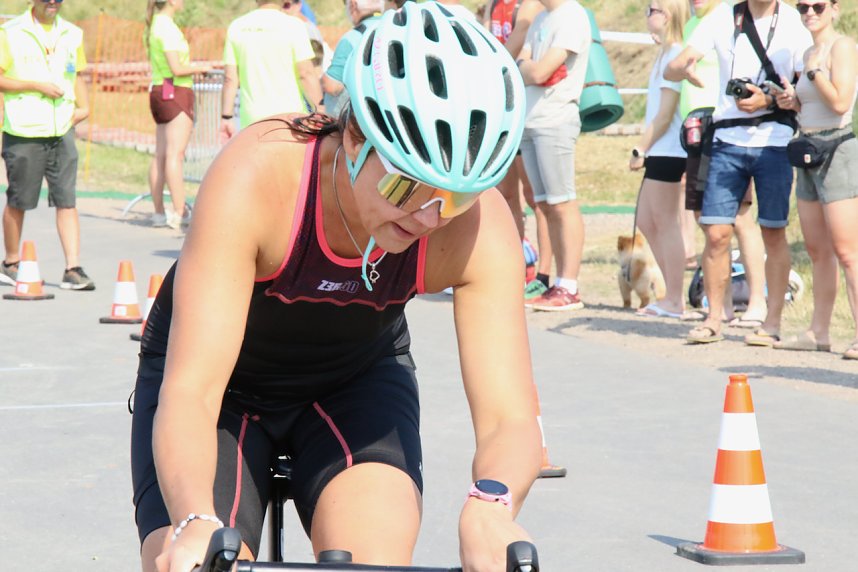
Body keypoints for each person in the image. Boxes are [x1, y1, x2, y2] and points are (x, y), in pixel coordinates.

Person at [130, 4, 541, 571]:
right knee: (194, 560)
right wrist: (195, 519)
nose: (428, 216)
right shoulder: (258, 178)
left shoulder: (478, 227)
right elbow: (192, 394)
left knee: (373, 560)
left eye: (456, 195)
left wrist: (493, 505)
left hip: (353, 381)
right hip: (219, 392)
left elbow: (509, 418)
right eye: (406, 186)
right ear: (353, 137)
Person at [665, 0, 811, 344]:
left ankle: (771, 323)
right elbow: (673, 66)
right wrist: (680, 67)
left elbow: (805, 84)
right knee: (716, 233)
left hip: (774, 140)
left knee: (773, 232)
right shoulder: (722, 16)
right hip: (727, 139)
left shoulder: (792, 22)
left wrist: (770, 100)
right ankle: (714, 319)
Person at [771, 0, 858, 359]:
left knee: (848, 251)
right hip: (806, 148)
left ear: (835, 9)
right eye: (802, 6)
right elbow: (815, 101)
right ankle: (818, 330)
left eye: (817, 6)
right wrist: (792, 100)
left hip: (837, 149)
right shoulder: (809, 51)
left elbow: (840, 103)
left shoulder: (842, 47)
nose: (809, 13)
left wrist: (812, 74)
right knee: (817, 249)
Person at [679, 0, 769, 327]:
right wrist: (680, 65)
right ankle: (724, 304)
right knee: (711, 224)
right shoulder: (698, 23)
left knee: (742, 218)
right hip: (701, 130)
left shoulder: (734, 15)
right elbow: (675, 66)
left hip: (733, 128)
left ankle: (758, 299)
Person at [0, 0, 95, 290]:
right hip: (25, 130)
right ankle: (11, 262)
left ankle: (73, 268)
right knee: (20, 200)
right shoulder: (11, 31)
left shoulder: (71, 33)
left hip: (62, 128)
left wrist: (85, 107)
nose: (53, 3)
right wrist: (36, 85)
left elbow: (75, 75)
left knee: (67, 199)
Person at [515, 0, 590, 311]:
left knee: (562, 201)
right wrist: (532, 69)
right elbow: (523, 66)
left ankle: (569, 284)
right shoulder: (540, 19)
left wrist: (532, 68)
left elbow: (541, 69)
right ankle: (556, 283)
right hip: (532, 119)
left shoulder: (572, 15)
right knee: (544, 204)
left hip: (555, 119)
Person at [482, 0, 552, 301]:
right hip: (500, 106)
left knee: (536, 197)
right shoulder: (492, 5)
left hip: (526, 106)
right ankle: (515, 264)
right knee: (505, 194)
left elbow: (511, 47)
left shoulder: (530, 6)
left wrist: (484, 64)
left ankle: (545, 272)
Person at [630, 0, 689, 318]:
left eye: (652, 10)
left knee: (665, 223)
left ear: (667, 15)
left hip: (668, 150)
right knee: (647, 221)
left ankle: (675, 298)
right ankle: (672, 293)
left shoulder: (675, 53)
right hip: (660, 150)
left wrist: (641, 148)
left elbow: (666, 114)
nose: (647, 16)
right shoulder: (665, 53)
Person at [145, 0, 210, 230]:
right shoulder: (167, 28)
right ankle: (180, 210)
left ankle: (159, 212)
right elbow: (177, 69)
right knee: (175, 155)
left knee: (161, 155)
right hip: (175, 91)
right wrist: (202, 68)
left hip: (159, 89)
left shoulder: (156, 24)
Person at [219, 0, 322, 141]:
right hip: (290, 120)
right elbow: (306, 74)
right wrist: (320, 112)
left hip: (252, 120)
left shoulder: (236, 27)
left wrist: (226, 117)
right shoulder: (294, 26)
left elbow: (230, 79)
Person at [321, 0, 384, 120]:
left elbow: (332, 86)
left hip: (356, 122)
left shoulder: (352, 38)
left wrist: (322, 80)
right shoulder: (393, 28)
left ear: (354, 4)